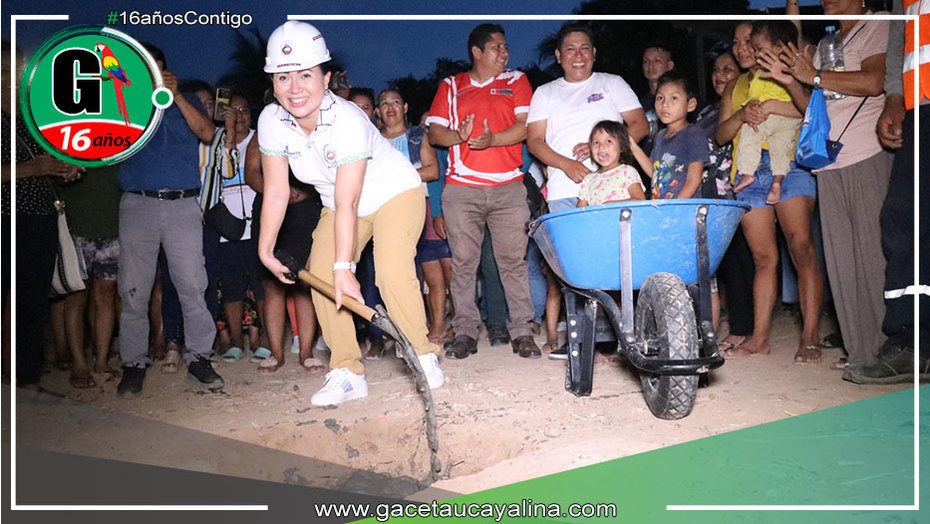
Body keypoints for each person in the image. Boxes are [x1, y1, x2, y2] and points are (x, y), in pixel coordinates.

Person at [257, 21, 444, 406]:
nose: (294, 88)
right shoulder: (271, 122)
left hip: (394, 192)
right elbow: (275, 191)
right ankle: (347, 371)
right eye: (283, 77)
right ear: (273, 82)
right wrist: (266, 249)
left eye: (306, 75)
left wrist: (347, 266)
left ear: (326, 78)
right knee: (323, 276)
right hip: (337, 203)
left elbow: (350, 201)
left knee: (391, 270)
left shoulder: (348, 121)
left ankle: (423, 354)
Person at [756, 1, 890, 370]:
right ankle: (859, 351)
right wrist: (791, 80)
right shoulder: (830, 41)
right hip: (830, 159)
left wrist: (812, 75)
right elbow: (812, 107)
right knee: (841, 260)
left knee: (871, 255)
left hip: (867, 152)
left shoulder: (877, 24)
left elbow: (875, 82)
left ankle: (887, 348)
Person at [526, 23, 648, 356]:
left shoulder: (612, 84)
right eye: (570, 49)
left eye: (584, 48)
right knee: (573, 266)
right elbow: (535, 141)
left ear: (594, 54)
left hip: (615, 190)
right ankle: (579, 338)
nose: (577, 55)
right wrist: (566, 163)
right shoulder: (545, 93)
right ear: (558, 56)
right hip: (565, 191)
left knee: (617, 262)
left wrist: (600, 144)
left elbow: (640, 124)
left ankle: (625, 337)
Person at [426, 23, 541, 360]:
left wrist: (493, 139)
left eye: (505, 47)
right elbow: (435, 133)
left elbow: (525, 127)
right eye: (496, 47)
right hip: (462, 190)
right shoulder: (452, 85)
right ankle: (464, 332)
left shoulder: (516, 81)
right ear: (477, 52)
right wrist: (458, 137)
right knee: (463, 263)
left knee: (512, 263)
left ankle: (522, 331)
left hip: (508, 188)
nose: (504, 53)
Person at [115, 43, 224, 395]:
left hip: (182, 205)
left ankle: (199, 358)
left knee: (193, 285)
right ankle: (133, 363)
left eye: (158, 65)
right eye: (145, 65)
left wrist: (174, 96)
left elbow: (207, 134)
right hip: (138, 204)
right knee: (134, 289)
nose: (153, 71)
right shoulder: (122, 101)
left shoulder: (186, 100)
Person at [716, 21, 823, 362]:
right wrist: (743, 115)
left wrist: (781, 96)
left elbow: (810, 110)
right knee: (763, 257)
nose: (742, 47)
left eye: (749, 40)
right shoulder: (735, 85)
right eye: (736, 41)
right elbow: (720, 135)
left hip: (789, 163)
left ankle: (810, 336)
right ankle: (760, 337)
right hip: (748, 171)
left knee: (801, 246)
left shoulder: (789, 68)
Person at [845, 0, 929, 383]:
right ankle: (913, 342)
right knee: (902, 217)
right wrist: (895, 97)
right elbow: (902, 40)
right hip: (919, 105)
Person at [2, 42, 84, 389]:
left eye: (21, 69)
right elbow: (30, 167)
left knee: (34, 299)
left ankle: (26, 378)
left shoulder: (31, 117)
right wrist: (31, 168)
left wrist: (66, 169)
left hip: (39, 216)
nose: (19, 76)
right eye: (11, 69)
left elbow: (53, 160)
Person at [376, 89, 449, 348]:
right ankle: (403, 329)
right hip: (385, 212)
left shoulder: (418, 136)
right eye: (384, 104)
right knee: (397, 273)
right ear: (378, 111)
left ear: (405, 107)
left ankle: (438, 327)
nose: (390, 108)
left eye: (396, 102)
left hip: (422, 207)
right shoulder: (373, 141)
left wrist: (396, 178)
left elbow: (432, 170)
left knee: (434, 276)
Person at [695, 50, 756, 348]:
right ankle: (738, 325)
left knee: (742, 260)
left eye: (728, 69)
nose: (720, 75)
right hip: (709, 196)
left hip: (738, 190)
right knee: (725, 264)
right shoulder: (706, 113)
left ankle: (745, 328)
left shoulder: (748, 104)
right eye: (716, 69)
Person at [731, 22, 804, 205]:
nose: (755, 53)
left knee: (750, 132)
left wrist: (751, 106)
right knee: (781, 148)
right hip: (789, 124)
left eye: (756, 47)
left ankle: (747, 173)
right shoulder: (797, 68)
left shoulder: (764, 72)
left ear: (779, 46)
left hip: (770, 119)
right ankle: (777, 182)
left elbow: (754, 93)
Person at [630, 72, 706, 200]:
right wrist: (633, 147)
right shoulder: (660, 136)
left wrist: (676, 205)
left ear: (690, 104)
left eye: (674, 98)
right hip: (663, 206)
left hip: (685, 208)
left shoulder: (694, 134)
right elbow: (656, 173)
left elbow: (694, 178)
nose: (665, 104)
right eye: (660, 98)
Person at [576, 120, 646, 206]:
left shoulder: (627, 172)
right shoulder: (589, 179)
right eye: (596, 143)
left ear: (621, 146)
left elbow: (639, 200)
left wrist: (610, 206)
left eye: (608, 141)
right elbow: (580, 211)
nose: (601, 147)